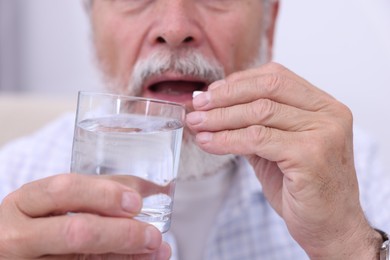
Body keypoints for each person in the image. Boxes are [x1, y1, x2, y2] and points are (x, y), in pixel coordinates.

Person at [0, 0, 389, 259]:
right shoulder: (11, 184)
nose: (174, 29)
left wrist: (349, 245)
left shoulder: (356, 178)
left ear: (268, 27)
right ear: (93, 30)